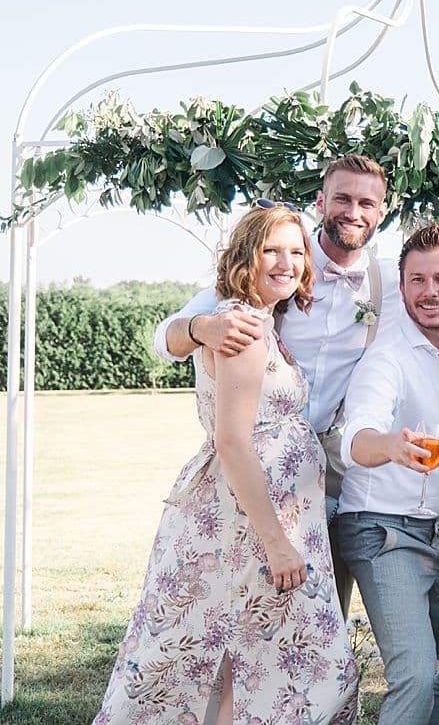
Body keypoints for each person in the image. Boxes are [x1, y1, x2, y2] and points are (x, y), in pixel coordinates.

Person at [96, 205, 358, 724]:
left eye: (296, 251)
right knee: (266, 662)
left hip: (265, 516)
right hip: (249, 525)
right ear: (246, 256)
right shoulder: (240, 325)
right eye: (272, 250)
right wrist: (277, 542)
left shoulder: (262, 319)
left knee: (245, 664)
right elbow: (233, 443)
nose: (287, 262)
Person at [155, 154, 404, 616]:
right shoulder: (278, 259)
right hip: (253, 466)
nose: (354, 211)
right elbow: (165, 336)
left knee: (322, 608)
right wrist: (200, 328)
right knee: (249, 606)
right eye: (343, 198)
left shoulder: (388, 282)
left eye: (366, 202)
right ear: (321, 201)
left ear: (381, 212)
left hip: (330, 463)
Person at [333, 224, 439, 725]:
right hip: (382, 531)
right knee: (415, 676)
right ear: (401, 289)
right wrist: (391, 447)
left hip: (437, 536)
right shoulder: (386, 357)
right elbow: (355, 439)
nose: (429, 292)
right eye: (417, 280)